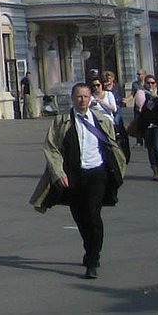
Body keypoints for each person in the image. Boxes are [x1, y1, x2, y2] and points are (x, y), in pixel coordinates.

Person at [30, 82, 127, 279]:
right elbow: (51, 148)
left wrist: (118, 169)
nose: (82, 100)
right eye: (78, 97)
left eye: (85, 96)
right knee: (80, 217)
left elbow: (113, 146)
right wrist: (59, 173)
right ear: (73, 99)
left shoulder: (101, 120)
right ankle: (89, 248)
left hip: (97, 174)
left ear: (90, 98)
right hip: (73, 175)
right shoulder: (62, 121)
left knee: (93, 215)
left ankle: (92, 261)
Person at [133, 76, 158, 180]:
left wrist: (155, 97)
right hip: (146, 125)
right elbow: (140, 110)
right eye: (148, 83)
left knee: (157, 147)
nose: (150, 85)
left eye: (152, 83)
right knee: (150, 149)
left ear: (156, 83)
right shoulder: (142, 94)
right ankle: (154, 170)